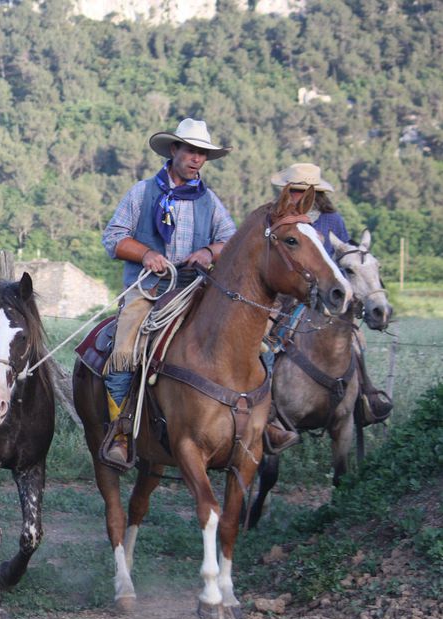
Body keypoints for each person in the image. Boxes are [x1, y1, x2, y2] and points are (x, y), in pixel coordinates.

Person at [98, 118, 238, 470]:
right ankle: (121, 430)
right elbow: (113, 238)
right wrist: (146, 254)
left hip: (196, 290)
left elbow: (230, 241)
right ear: (173, 150)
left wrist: (209, 252)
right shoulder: (142, 192)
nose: (197, 159)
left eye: (202, 154)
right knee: (124, 347)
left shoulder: (210, 201)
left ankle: (258, 426)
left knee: (252, 341)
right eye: (191, 151)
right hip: (148, 290)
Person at [268, 162, 393, 430]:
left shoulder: (332, 220)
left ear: (316, 193)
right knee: (264, 339)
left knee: (355, 341)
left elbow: (343, 255)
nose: (296, 196)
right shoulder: (280, 218)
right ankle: (261, 404)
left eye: (303, 190)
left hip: (324, 297)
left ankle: (363, 397)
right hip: (286, 293)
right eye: (294, 190)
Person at [270, 163, 348, 256]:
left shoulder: (333, 219)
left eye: (300, 191)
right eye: (291, 190)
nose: (291, 195)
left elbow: (345, 253)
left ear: (315, 194)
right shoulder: (274, 217)